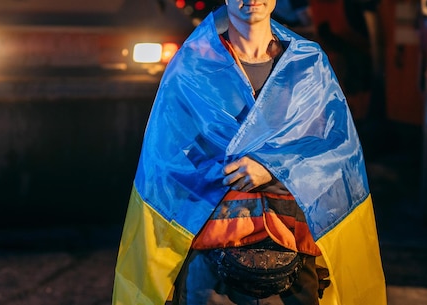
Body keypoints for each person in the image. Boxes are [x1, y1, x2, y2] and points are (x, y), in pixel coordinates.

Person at [112, 0, 386, 304]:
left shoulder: (307, 65)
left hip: (291, 241)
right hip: (212, 244)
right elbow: (169, 153)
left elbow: (334, 148)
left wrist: (271, 167)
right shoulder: (193, 64)